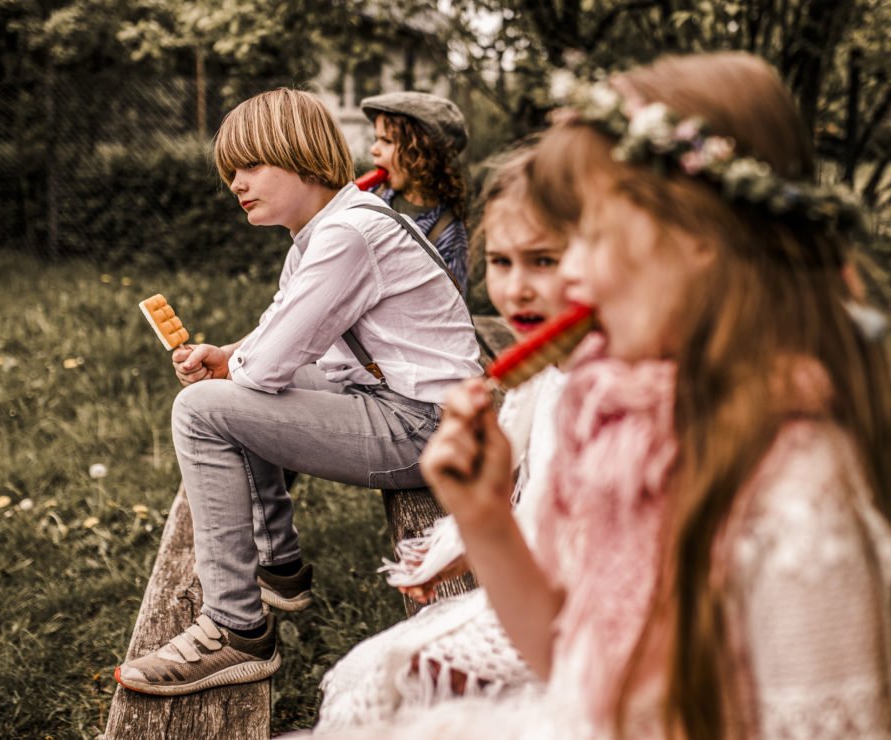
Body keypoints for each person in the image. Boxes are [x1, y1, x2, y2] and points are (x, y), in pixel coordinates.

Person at [311, 52, 891, 738]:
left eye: (593, 234)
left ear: (702, 235)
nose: (572, 276)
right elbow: (567, 659)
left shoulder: (799, 498)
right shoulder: (617, 412)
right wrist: (488, 519)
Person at [113, 88, 481, 696]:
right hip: (410, 406)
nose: (236, 183)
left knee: (203, 409)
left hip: (426, 427)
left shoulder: (347, 236)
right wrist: (228, 355)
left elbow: (266, 372)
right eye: (230, 171)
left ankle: (236, 630)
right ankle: (278, 568)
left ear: (304, 156)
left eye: (251, 165)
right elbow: (281, 331)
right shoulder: (330, 227)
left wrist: (238, 369)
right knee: (227, 394)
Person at [315, 140, 577, 728]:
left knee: (397, 687)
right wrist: (452, 548)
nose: (515, 290)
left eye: (545, 261)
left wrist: (482, 527)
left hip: (577, 633)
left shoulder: (608, 403)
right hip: (534, 599)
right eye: (503, 263)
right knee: (372, 674)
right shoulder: (549, 376)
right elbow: (513, 473)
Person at [361, 91, 471, 292]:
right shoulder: (369, 199)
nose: (374, 149)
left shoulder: (448, 235)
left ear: (421, 153)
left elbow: (453, 311)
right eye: (376, 139)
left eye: (386, 141)